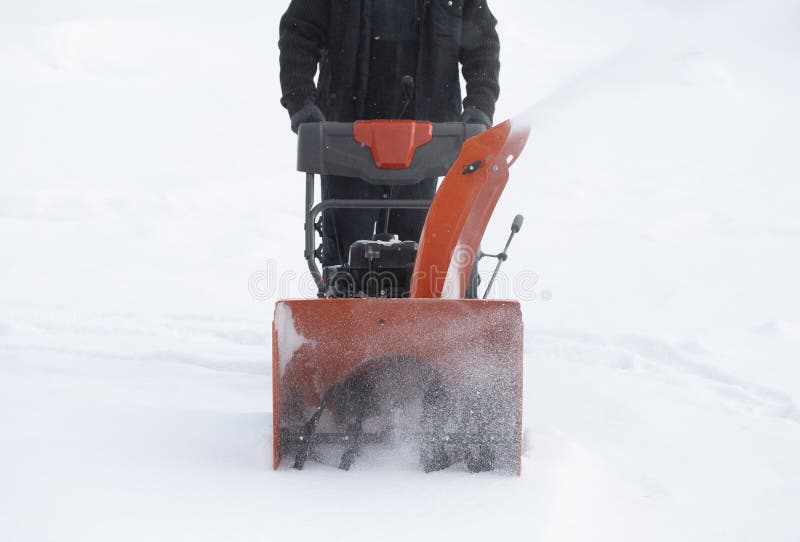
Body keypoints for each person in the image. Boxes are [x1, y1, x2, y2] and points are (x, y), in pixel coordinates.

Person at [279, 0, 500, 268]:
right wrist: (302, 103)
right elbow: (299, 31)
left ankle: (417, 293)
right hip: (346, 142)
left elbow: (482, 41)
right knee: (346, 258)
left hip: (428, 144)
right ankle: (343, 290)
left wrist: (479, 107)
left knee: (419, 257)